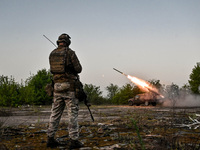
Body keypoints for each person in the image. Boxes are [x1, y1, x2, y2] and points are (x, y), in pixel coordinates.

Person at [47, 33, 83, 149]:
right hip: (69, 87)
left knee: (55, 113)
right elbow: (79, 69)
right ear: (68, 42)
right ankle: (73, 140)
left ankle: (50, 138)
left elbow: (53, 71)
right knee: (72, 114)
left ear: (58, 42)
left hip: (56, 87)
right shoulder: (70, 53)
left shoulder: (52, 54)